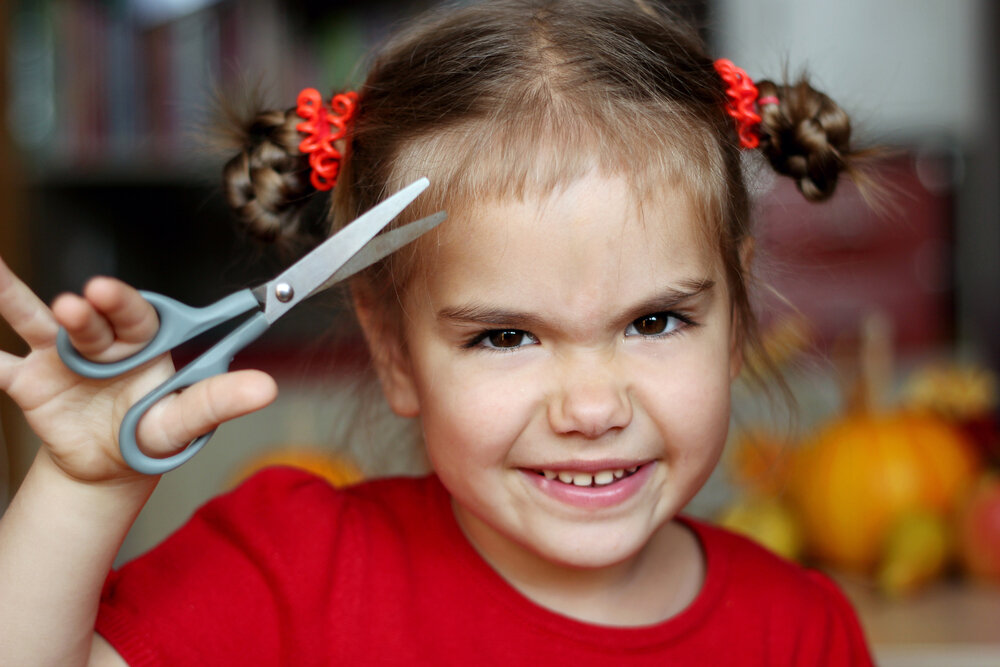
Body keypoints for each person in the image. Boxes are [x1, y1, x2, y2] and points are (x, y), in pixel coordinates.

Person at [0, 0, 876, 664]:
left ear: (734, 322)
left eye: (656, 320)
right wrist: (85, 487)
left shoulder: (800, 631)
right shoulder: (291, 568)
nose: (593, 405)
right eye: (504, 336)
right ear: (393, 350)